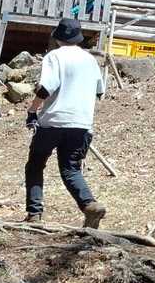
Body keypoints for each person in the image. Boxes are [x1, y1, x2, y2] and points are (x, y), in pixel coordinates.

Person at [25, 17, 107, 227]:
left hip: (53, 121)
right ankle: (90, 205)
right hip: (82, 123)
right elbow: (99, 91)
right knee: (71, 169)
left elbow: (46, 87)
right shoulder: (90, 60)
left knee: (35, 165)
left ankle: (34, 214)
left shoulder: (54, 56)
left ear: (58, 37)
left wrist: (32, 110)